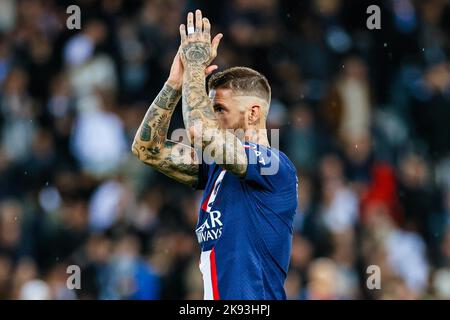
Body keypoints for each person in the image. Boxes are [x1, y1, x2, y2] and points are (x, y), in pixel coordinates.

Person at [132, 9, 298, 300]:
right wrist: (174, 84)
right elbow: (147, 149)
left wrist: (195, 66)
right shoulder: (215, 169)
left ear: (253, 113)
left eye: (219, 109)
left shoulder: (274, 167)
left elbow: (199, 131)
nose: (212, 116)